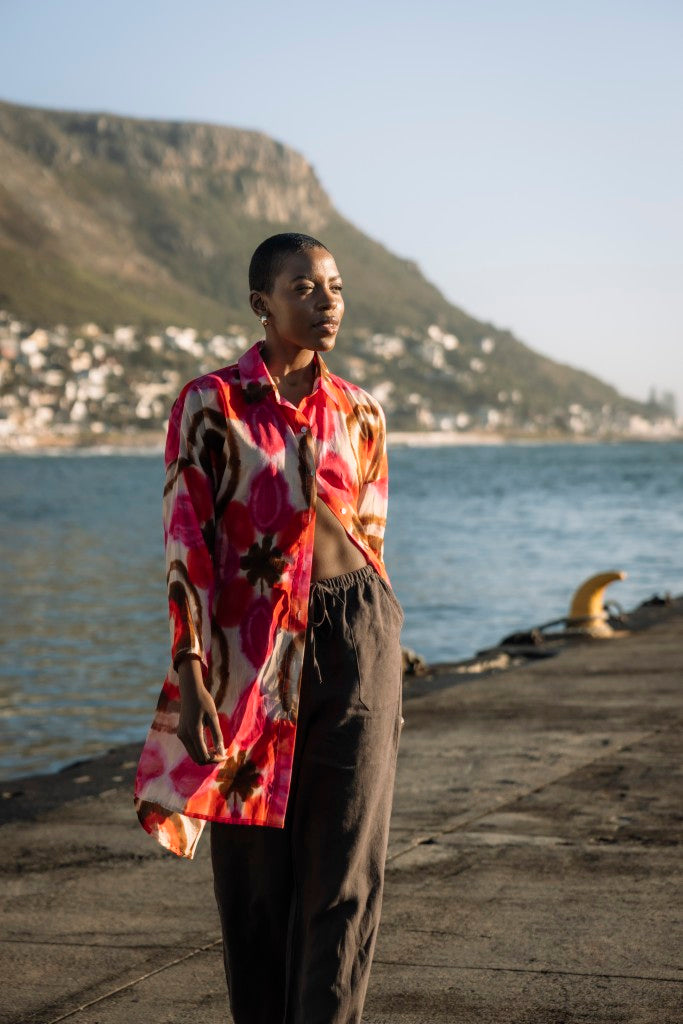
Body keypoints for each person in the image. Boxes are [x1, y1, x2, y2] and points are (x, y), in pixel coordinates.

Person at [134, 232, 405, 1024]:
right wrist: (190, 667)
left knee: (346, 875)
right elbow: (186, 535)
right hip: (248, 648)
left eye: (335, 288)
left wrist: (380, 627)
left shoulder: (360, 410)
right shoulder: (210, 403)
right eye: (304, 288)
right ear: (261, 302)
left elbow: (370, 532)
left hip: (357, 634)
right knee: (255, 881)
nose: (326, 303)